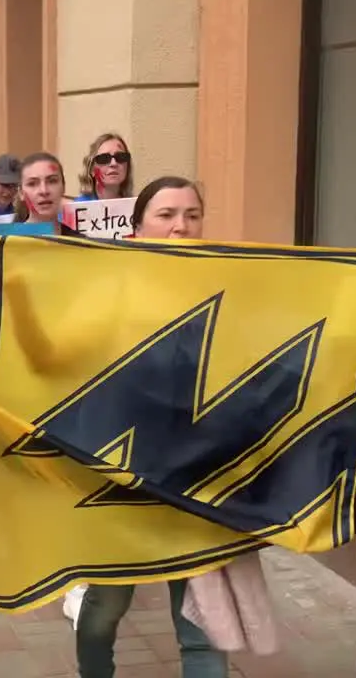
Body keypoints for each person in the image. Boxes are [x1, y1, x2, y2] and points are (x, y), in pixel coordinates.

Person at [74, 177, 228, 678]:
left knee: (201, 626)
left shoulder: (234, 292)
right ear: (136, 230)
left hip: (199, 481)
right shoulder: (108, 298)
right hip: (122, 479)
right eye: (165, 215)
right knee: (106, 609)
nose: (180, 226)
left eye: (192, 214)